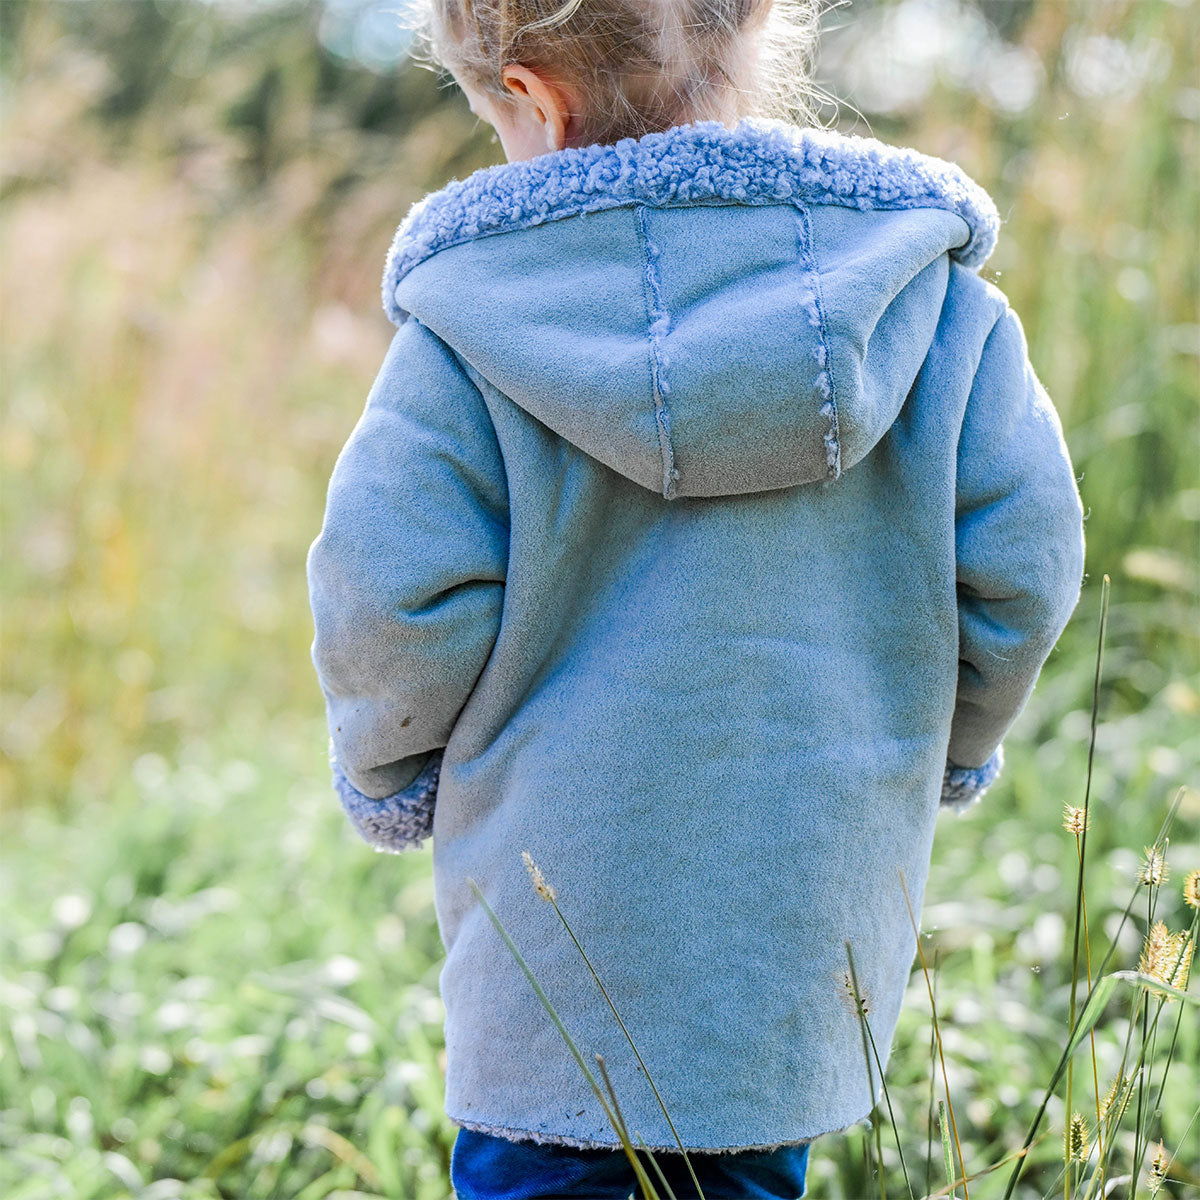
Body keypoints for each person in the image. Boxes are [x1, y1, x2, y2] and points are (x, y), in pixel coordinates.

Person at [305, 0, 1087, 1196]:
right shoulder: (936, 313)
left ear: (537, 99)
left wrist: (389, 770)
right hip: (791, 959)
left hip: (552, 965)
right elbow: (1025, 572)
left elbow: (389, 602)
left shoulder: (465, 330)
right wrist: (942, 742)